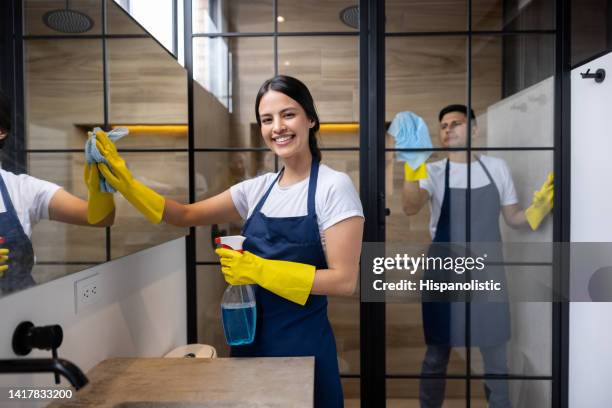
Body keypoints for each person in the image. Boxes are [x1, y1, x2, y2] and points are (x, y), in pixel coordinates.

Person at [92, 75, 365, 407]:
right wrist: (127, 183)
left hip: (303, 347)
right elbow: (185, 215)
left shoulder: (334, 187)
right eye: (267, 119)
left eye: (288, 114)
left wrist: (258, 269)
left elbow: (344, 280)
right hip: (248, 345)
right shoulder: (257, 189)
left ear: (311, 118)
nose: (278, 126)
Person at [400, 104, 553, 408]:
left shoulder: (496, 168)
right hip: (444, 272)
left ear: (473, 129)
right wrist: (411, 166)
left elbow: (513, 217)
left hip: (487, 271)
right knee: (436, 355)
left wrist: (540, 208)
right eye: (443, 126)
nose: (448, 129)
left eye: (456, 123)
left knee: (495, 354)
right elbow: (410, 206)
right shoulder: (433, 171)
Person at [0, 92, 115, 294]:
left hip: (21, 317)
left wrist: (102, 179)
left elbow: (101, 217)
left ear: (1, 131)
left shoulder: (23, 189)